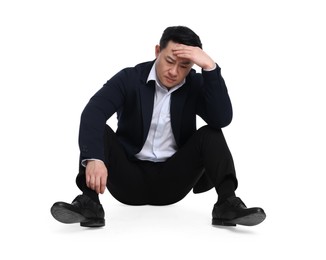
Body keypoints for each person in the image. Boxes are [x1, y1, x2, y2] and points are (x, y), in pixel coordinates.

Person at [50, 25, 266, 228]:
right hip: (127, 177)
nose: (174, 71)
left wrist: (210, 68)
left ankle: (227, 203)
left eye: (184, 65)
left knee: (211, 133)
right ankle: (89, 203)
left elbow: (221, 119)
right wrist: (95, 159)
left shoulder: (195, 84)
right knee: (98, 131)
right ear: (157, 51)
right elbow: (93, 113)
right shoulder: (130, 78)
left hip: (172, 181)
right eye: (169, 60)